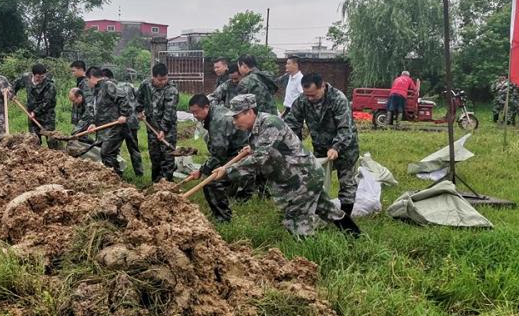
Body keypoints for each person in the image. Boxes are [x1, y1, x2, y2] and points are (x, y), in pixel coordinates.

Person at [211, 95, 360, 237]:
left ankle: (309, 258)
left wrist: (227, 171)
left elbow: (260, 158)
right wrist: (252, 149)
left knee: (295, 221)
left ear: (249, 112)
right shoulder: (257, 126)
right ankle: (357, 237)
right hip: (297, 176)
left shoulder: (270, 123)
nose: (234, 122)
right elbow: (266, 148)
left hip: (303, 177)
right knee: (328, 210)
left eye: (236, 117)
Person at [284, 72, 360, 217]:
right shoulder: (302, 101)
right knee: (317, 180)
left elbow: (345, 128)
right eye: (307, 95)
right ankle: (320, 213)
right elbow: (292, 124)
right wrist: (292, 146)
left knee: (347, 184)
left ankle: (345, 218)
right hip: (320, 148)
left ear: (322, 87)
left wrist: (336, 147)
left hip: (345, 148)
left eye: (313, 95)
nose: (310, 98)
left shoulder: (338, 99)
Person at [185, 94, 244, 222]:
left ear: (206, 107)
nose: (195, 116)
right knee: (215, 172)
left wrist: (202, 170)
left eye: (196, 112)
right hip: (233, 150)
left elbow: (218, 154)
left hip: (243, 154)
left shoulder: (218, 121)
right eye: (192, 113)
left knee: (211, 183)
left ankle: (223, 218)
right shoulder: (215, 111)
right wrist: (201, 170)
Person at [75, 66, 131, 175]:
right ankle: (114, 176)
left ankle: (115, 176)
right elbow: (98, 109)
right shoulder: (97, 89)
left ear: (91, 78)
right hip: (105, 128)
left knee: (106, 152)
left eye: (87, 80)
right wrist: (93, 123)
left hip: (115, 127)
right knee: (107, 153)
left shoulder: (108, 85)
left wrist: (124, 115)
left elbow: (123, 97)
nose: (87, 83)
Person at [136, 62, 180, 182]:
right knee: (155, 156)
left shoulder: (171, 90)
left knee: (168, 156)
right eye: (160, 80)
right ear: (153, 77)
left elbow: (169, 112)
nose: (163, 82)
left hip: (168, 129)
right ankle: (156, 183)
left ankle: (167, 183)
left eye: (165, 79)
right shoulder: (145, 85)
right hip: (152, 127)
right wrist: (139, 111)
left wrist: (163, 130)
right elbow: (139, 98)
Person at [13, 63, 59, 147]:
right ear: (33, 74)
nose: (40, 79)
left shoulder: (50, 85)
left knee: (51, 139)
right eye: (38, 77)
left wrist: (35, 112)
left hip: (47, 116)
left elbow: (47, 102)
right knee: (34, 141)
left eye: (42, 77)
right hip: (31, 115)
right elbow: (15, 84)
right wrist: (13, 94)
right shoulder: (26, 78)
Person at [110, 69, 144, 176]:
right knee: (133, 148)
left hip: (119, 122)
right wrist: (139, 111)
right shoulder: (132, 87)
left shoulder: (113, 89)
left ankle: (116, 172)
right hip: (131, 121)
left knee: (114, 149)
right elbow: (139, 99)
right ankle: (139, 173)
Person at [70, 60, 92, 129]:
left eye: (74, 71)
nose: (72, 73)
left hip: (83, 118)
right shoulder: (80, 81)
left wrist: (83, 121)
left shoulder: (85, 83)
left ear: (81, 69)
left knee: (82, 138)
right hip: (79, 117)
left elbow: (88, 102)